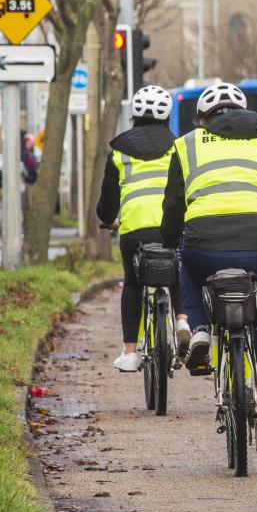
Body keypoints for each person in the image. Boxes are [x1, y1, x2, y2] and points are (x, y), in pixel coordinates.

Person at [161, 81, 257, 451]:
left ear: (203, 119)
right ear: (243, 113)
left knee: (185, 263)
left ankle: (201, 329)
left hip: (203, 246)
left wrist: (171, 239)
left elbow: (174, 205)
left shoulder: (186, 145)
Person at [97, 85, 191, 372]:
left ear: (133, 114)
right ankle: (183, 320)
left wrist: (110, 220)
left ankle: (129, 351)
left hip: (134, 229)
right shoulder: (180, 147)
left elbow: (106, 206)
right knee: (178, 273)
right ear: (167, 116)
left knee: (134, 282)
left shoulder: (119, 152)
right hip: (170, 224)